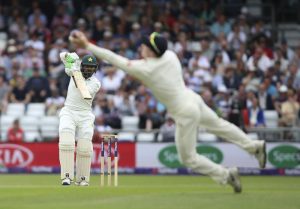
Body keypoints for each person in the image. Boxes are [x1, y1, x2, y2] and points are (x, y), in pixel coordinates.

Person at [70, 31, 267, 193]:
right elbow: (137, 55)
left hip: (184, 111)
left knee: (188, 158)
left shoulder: (146, 69)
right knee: (221, 126)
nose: (141, 47)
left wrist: (87, 44)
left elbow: (115, 59)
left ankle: (226, 175)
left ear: (152, 50)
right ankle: (254, 146)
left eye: (145, 45)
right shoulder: (170, 56)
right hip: (193, 99)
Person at [59, 52, 100, 186]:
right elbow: (62, 56)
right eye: (86, 67)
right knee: (66, 142)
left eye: (91, 68)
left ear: (95, 69)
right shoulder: (76, 67)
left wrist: (74, 71)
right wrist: (70, 57)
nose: (88, 70)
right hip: (69, 111)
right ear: (82, 66)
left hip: (85, 115)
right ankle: (66, 176)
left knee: (84, 147)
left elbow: (84, 92)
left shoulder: (95, 83)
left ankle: (82, 179)